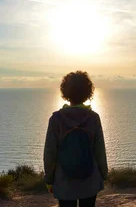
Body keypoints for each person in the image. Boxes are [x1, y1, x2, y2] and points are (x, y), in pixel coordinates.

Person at [44, 71, 108, 207]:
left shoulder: (56, 119)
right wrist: (103, 175)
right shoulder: (93, 118)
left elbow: (50, 152)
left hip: (64, 181)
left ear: (65, 92)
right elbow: (99, 149)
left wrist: (49, 179)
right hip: (90, 180)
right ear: (88, 92)